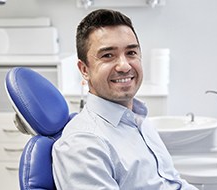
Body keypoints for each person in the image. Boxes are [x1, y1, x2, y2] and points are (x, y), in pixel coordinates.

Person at [52, 9, 198, 190]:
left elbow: (172, 182)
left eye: (131, 53)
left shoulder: (137, 118)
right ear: (84, 70)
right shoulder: (83, 145)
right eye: (108, 55)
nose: (124, 65)